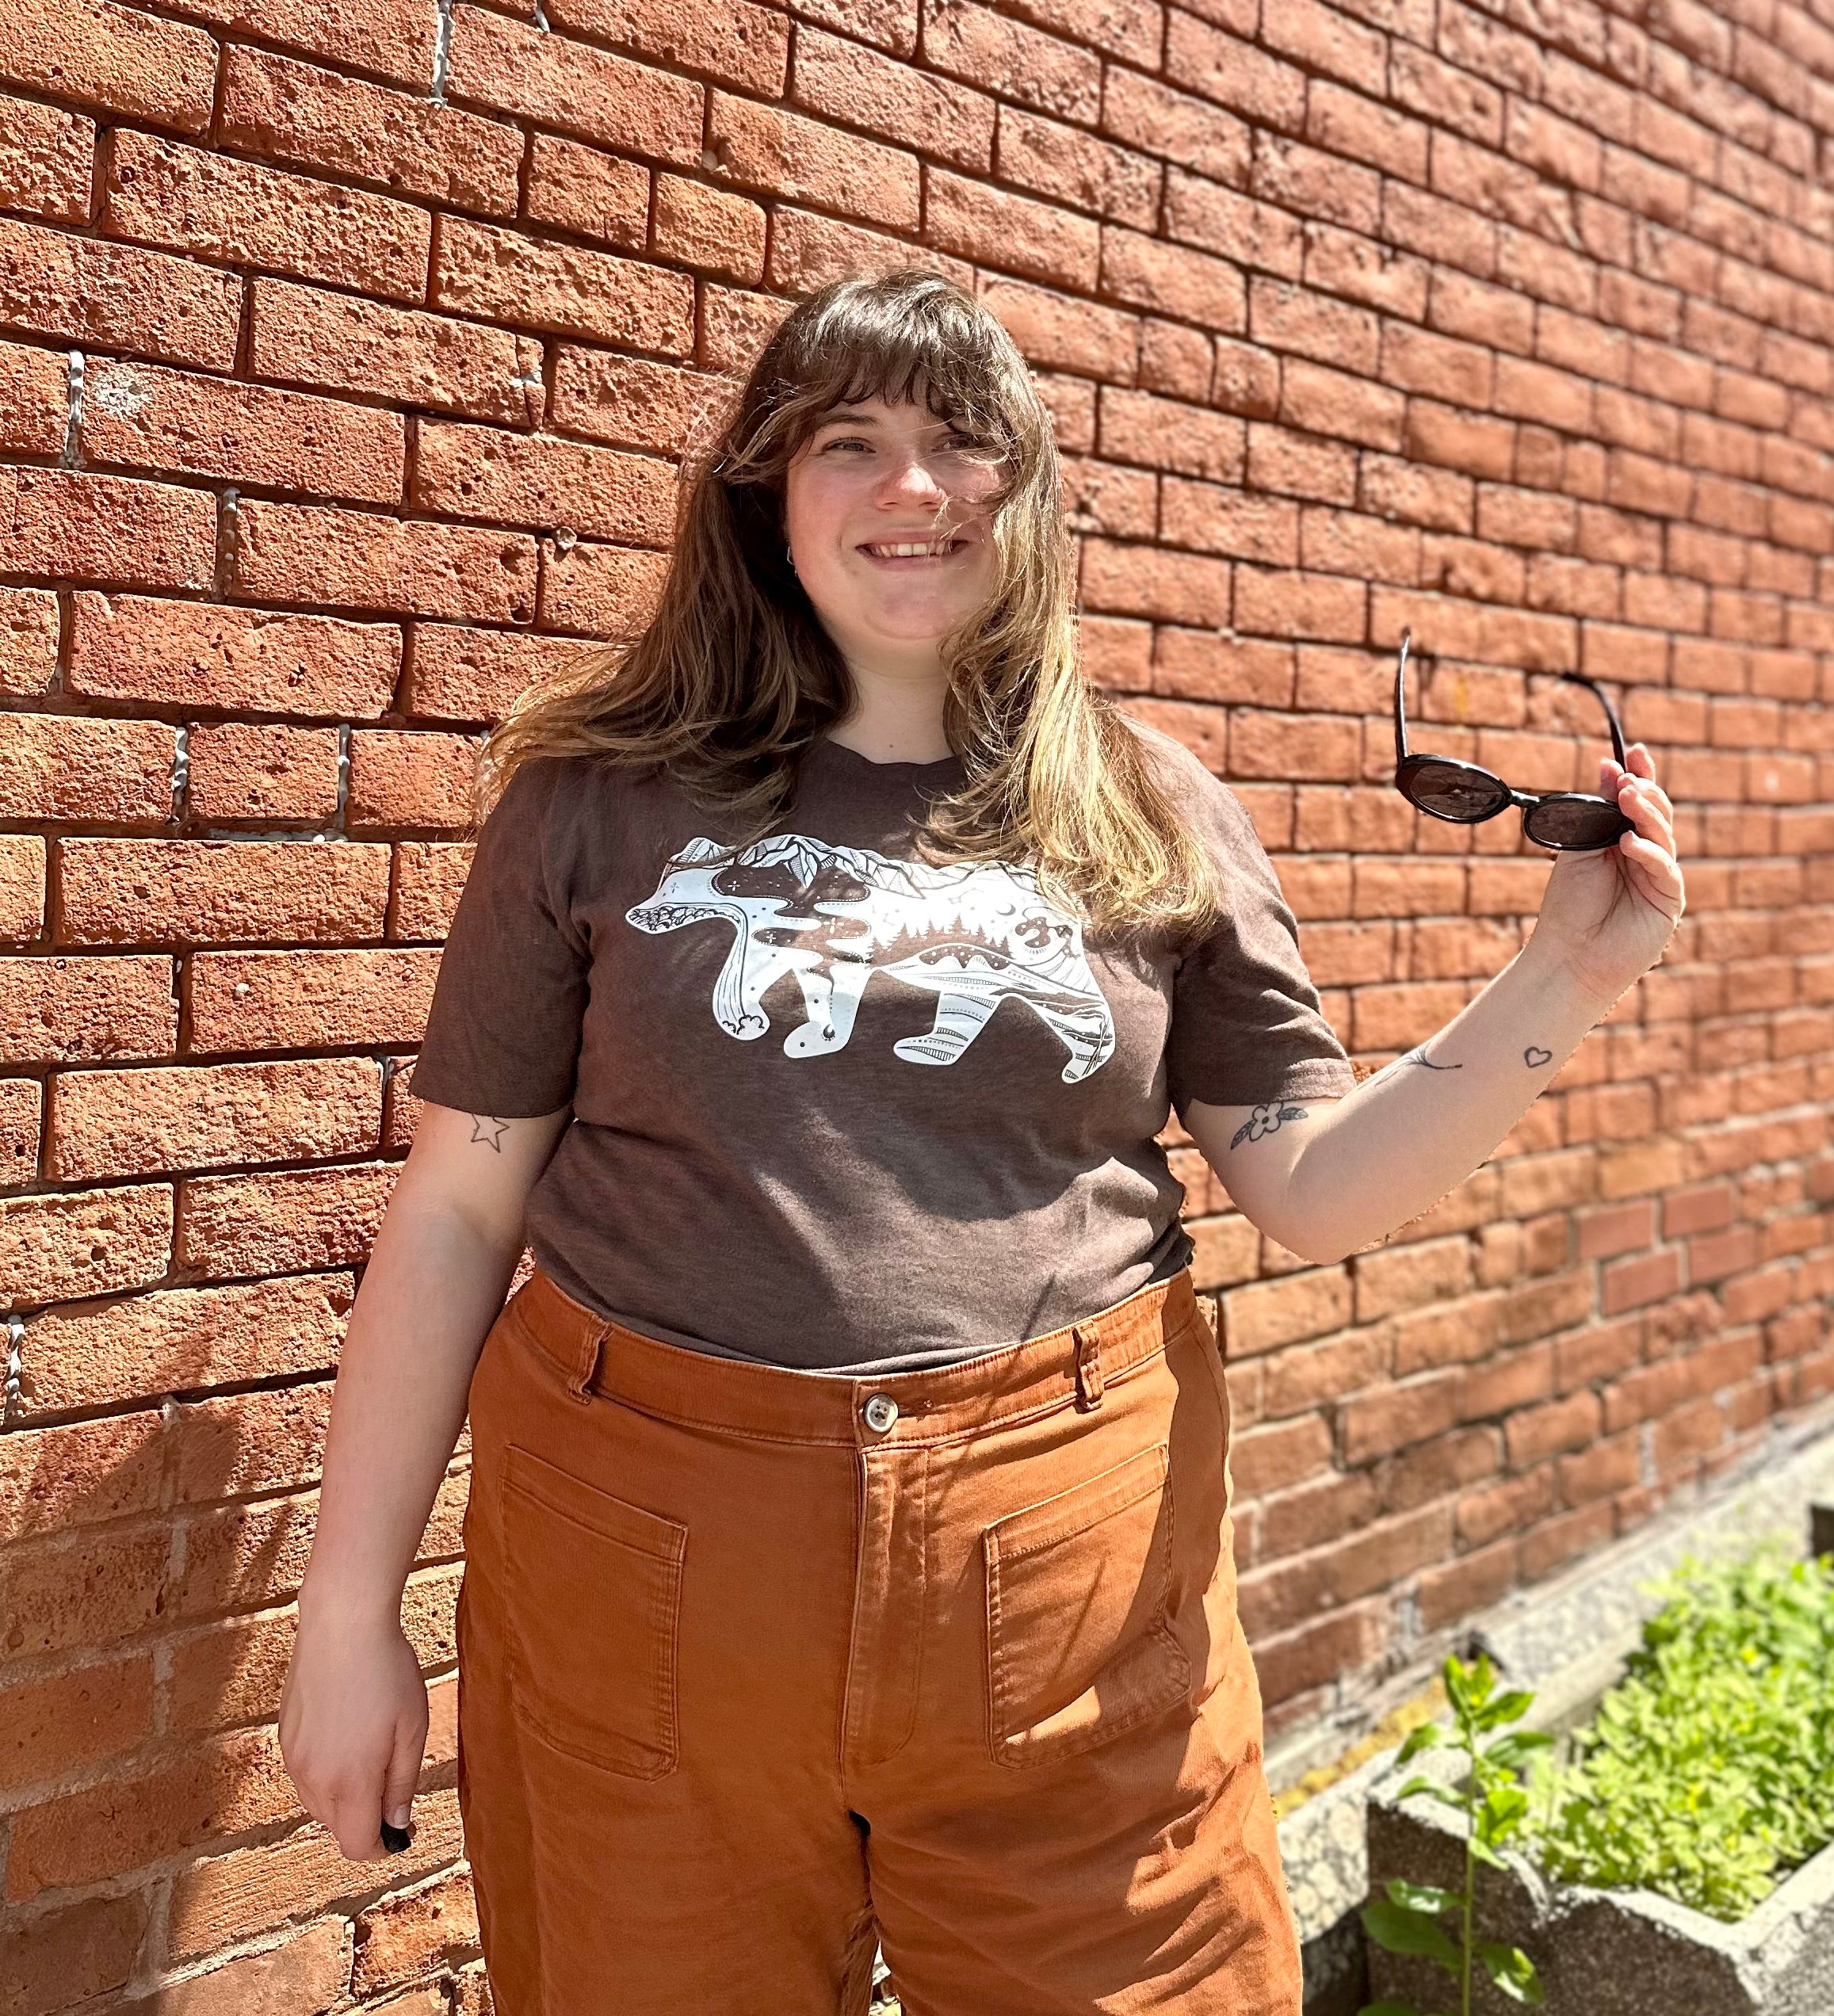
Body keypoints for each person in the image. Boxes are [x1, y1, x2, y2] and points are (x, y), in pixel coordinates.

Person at [278, 268, 1683, 2014]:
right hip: (648, 1576)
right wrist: (350, 1617)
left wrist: (1566, 972)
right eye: (850, 444)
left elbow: (1311, 1189)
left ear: (1030, 494)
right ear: (767, 495)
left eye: (965, 445)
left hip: (1073, 1597)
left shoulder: (1156, 807)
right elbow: (457, 1214)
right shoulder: (593, 801)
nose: (914, 490)